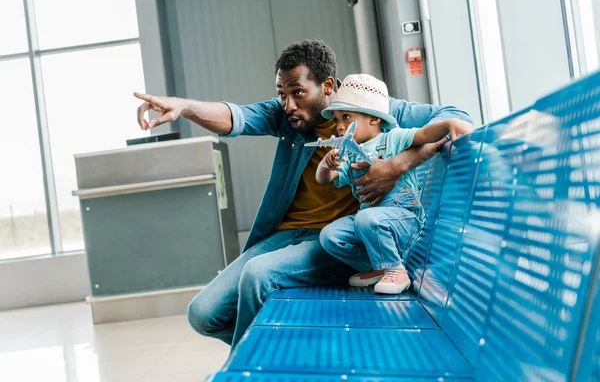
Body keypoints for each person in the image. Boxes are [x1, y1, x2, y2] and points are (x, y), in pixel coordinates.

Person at [133, 39, 472, 349]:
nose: (288, 104)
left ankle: (253, 369)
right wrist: (183, 106)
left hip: (333, 240)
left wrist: (396, 166)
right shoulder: (286, 118)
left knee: (258, 275)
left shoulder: (375, 109)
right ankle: (282, 352)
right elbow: (236, 117)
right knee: (203, 315)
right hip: (283, 236)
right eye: (282, 94)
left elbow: (455, 117)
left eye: (298, 92)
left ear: (327, 85)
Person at [316, 74, 473, 294]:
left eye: (346, 117)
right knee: (330, 236)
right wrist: (326, 164)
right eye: (337, 120)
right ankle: (378, 266)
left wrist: (448, 124)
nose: (339, 127)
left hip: (404, 218)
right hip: (369, 221)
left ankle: (396, 270)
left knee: (366, 218)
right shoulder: (348, 154)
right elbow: (324, 179)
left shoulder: (394, 138)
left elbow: (425, 134)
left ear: (374, 118)